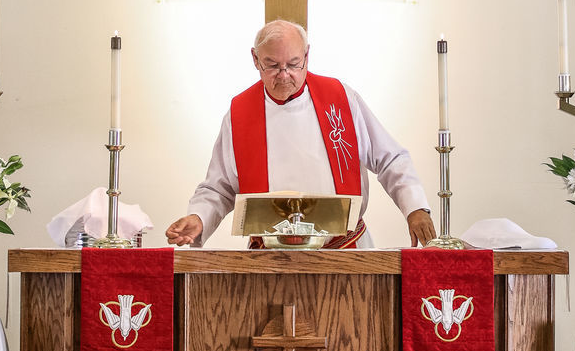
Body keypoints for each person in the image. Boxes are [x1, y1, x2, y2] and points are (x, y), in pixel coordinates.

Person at [166, 18, 436, 248]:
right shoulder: (240, 112)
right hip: (270, 257)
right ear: (254, 59)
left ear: (307, 55)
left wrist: (415, 208)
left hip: (345, 251)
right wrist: (198, 217)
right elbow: (220, 187)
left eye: (293, 64)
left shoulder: (340, 99)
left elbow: (390, 158)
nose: (284, 75)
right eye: (272, 65)